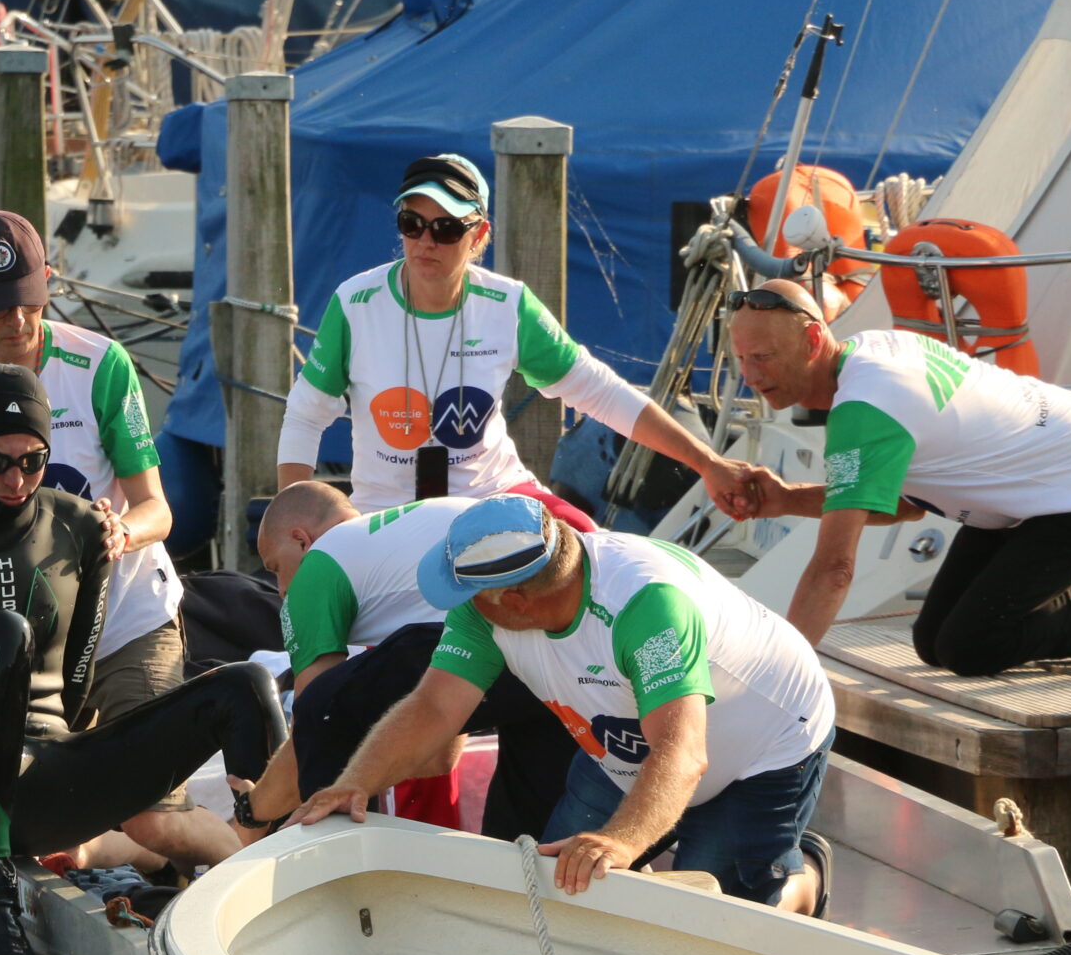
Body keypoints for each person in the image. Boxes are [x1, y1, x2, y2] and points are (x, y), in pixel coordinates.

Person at [0, 363, 284, 955]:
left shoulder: (80, 528)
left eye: (32, 461)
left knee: (244, 687)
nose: (15, 479)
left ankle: (283, 877)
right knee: (1, 631)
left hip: (44, 782)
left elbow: (73, 689)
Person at [0, 209, 238, 874]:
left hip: (127, 618)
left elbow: (157, 509)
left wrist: (119, 531)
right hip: (28, 641)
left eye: (29, 301)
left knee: (153, 815)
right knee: (52, 837)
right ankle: (147, 877)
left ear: (49, 279)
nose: (18, 323)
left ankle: (245, 884)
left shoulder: (101, 364)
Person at [295, 496, 837, 912]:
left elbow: (683, 753)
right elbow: (434, 707)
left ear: (515, 600)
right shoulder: (488, 610)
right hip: (623, 743)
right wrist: (355, 782)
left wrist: (619, 843)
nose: (460, 606)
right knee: (555, 891)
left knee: (718, 919)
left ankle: (801, 877)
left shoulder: (645, 607)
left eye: (466, 595)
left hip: (760, 747)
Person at [726, 279, 1071, 672]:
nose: (750, 376)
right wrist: (786, 499)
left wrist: (780, 674)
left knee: (971, 646)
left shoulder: (866, 409)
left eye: (764, 357)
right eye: (742, 359)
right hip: (1032, 487)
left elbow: (835, 569)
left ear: (813, 339)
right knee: (934, 643)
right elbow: (902, 505)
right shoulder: (870, 351)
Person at [275, 151, 763, 526]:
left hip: (495, 497)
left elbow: (602, 392)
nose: (425, 241)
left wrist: (709, 464)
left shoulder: (508, 305)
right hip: (385, 512)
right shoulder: (355, 302)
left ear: (478, 234)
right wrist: (292, 525)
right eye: (412, 224)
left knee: (597, 554)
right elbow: (305, 415)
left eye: (446, 228)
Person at [230, 482, 573, 842]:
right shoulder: (395, 545)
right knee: (527, 842)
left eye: (275, 568)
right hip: (557, 641)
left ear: (302, 540)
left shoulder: (318, 564)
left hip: (513, 620)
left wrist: (251, 813)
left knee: (325, 708)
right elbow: (440, 759)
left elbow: (316, 729)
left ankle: (340, 862)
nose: (280, 589)